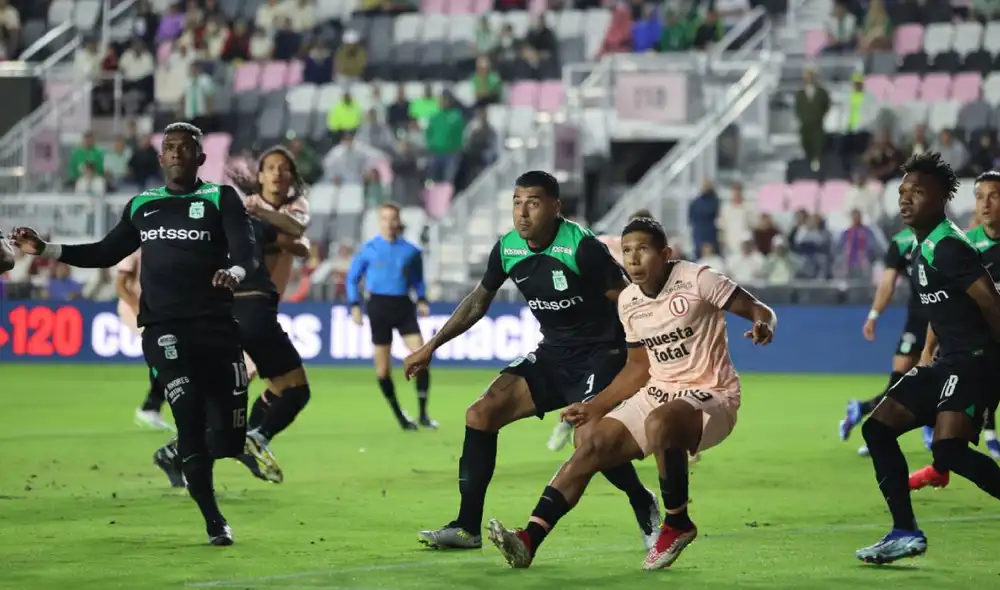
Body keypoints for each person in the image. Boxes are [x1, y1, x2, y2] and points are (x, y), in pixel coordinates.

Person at [11, 122, 258, 546]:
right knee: (189, 416)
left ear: (201, 158)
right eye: (170, 147)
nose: (177, 153)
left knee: (229, 438)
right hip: (163, 330)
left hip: (217, 330)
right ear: (161, 158)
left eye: (187, 147)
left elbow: (244, 249)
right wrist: (47, 249)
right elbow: (105, 251)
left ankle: (180, 454)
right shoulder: (143, 205)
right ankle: (214, 519)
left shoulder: (220, 197)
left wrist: (233, 273)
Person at [486, 216, 777, 569]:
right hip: (658, 393)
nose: (634, 259)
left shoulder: (699, 279)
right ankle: (529, 538)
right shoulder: (629, 302)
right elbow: (638, 368)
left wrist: (763, 324)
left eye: (643, 249)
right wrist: (594, 407)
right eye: (626, 251)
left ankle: (677, 523)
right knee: (589, 441)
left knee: (661, 421)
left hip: (712, 395)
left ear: (665, 253)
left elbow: (759, 309)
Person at [403, 171, 659, 551]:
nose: (522, 213)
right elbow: (478, 301)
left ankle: (643, 502)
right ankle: (466, 527)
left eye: (533, 203)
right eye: (517, 202)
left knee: (587, 438)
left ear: (556, 207)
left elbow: (628, 301)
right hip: (554, 353)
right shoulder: (508, 249)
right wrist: (432, 345)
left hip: (602, 353)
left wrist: (654, 356)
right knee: (481, 413)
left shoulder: (581, 248)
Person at [856, 153, 1000, 565]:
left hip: (974, 361)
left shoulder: (950, 247)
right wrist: (927, 355)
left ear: (939, 199)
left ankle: (905, 531)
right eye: (903, 192)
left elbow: (991, 303)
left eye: (918, 192)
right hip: (946, 362)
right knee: (878, 429)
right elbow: (944, 311)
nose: (906, 200)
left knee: (949, 449)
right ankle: (904, 532)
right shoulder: (923, 246)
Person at [153, 146, 314, 488]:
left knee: (255, 393)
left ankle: (186, 451)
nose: (277, 174)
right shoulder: (243, 214)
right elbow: (295, 241)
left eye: (284, 169)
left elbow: (299, 238)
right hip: (245, 309)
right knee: (279, 391)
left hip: (242, 310)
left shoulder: (287, 209)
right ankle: (250, 439)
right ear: (259, 176)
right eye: (271, 167)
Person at [906, 170, 1000, 491]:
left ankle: (942, 464)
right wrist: (928, 351)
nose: (985, 205)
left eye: (994, 196)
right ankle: (943, 463)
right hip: (977, 354)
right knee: (950, 431)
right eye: (979, 197)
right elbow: (944, 306)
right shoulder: (961, 244)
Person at [841, 226, 933, 456]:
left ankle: (867, 413)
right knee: (900, 380)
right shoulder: (901, 242)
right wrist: (873, 315)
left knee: (933, 378)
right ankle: (879, 431)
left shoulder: (947, 237)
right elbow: (887, 283)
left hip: (944, 319)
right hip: (917, 321)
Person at [347, 203, 435, 430]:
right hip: (378, 306)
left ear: (399, 221)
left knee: (422, 359)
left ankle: (423, 414)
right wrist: (355, 305)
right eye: (385, 218)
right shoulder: (368, 249)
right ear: (380, 221)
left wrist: (422, 299)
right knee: (383, 370)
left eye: (393, 218)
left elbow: (418, 279)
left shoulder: (411, 251)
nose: (389, 223)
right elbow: (352, 279)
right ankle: (400, 416)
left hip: (403, 306)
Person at [118, 249, 173, 431]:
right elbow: (120, 285)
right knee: (166, 357)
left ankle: (151, 407)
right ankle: (150, 407)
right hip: (137, 310)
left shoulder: (164, 244)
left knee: (169, 358)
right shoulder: (134, 249)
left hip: (158, 310)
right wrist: (137, 309)